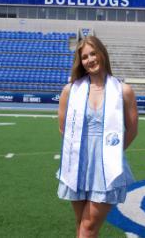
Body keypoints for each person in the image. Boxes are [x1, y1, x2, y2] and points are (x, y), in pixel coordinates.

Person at [57, 36, 138, 238]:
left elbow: (132, 130)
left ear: (102, 53)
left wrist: (111, 154)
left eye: (93, 53)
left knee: (88, 228)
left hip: (106, 168)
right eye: (85, 57)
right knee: (82, 225)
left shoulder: (123, 91)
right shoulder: (71, 90)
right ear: (80, 62)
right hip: (77, 165)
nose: (90, 59)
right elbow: (63, 129)